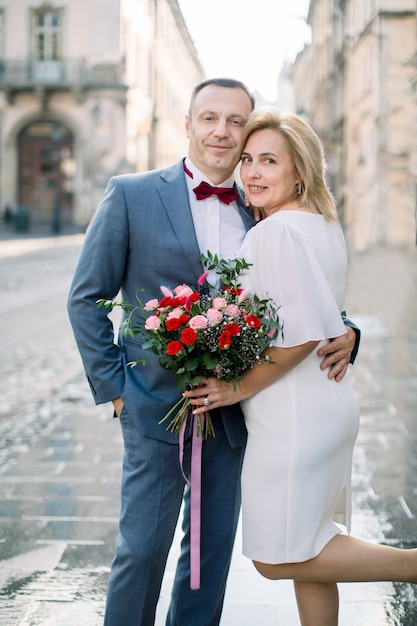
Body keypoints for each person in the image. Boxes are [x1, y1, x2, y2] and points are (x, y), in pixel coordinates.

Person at [67, 80, 358, 626]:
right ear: (189, 123)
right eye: (209, 118)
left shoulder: (266, 207)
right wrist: (116, 392)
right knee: (140, 555)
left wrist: (349, 330)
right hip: (154, 410)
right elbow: (86, 297)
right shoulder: (132, 194)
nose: (222, 132)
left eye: (235, 122)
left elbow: (301, 290)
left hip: (235, 417)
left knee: (210, 560)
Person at [185, 107, 417, 626]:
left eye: (270, 161)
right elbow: (325, 317)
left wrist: (232, 388)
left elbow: (304, 334)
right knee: (313, 546)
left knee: (274, 559)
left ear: (300, 170)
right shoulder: (322, 224)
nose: (253, 172)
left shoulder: (276, 232)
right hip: (326, 402)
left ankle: (411, 565)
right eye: (247, 160)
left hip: (292, 415)